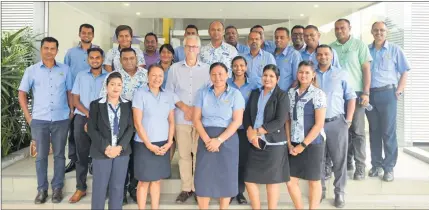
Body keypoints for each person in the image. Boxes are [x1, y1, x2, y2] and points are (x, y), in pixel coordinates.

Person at [18, 37, 73, 204]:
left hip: (61, 119)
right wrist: (28, 117)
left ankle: (57, 188)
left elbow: (70, 92)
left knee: (59, 156)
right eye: (46, 48)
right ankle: (41, 190)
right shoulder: (31, 70)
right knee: (41, 156)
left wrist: (70, 112)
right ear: (41, 49)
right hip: (39, 120)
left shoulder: (65, 69)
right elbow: (22, 93)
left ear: (57, 51)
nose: (49, 51)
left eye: (52, 48)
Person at [165, 35, 211, 203]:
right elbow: (170, 92)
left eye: (194, 47)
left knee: (199, 155)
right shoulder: (174, 69)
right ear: (184, 49)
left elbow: (209, 93)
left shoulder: (207, 69)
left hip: (201, 119)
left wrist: (196, 111)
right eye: (188, 46)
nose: (191, 49)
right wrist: (185, 108)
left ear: (199, 49)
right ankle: (186, 188)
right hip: (181, 118)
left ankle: (199, 188)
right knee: (184, 155)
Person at [99, 47, 148, 204]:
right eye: (125, 59)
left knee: (136, 157)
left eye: (132, 58)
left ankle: (133, 188)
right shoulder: (113, 76)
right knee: (121, 156)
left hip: (142, 123)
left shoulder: (146, 75)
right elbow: (102, 100)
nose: (129, 61)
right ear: (120, 61)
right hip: (119, 124)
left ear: (137, 59)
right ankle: (119, 191)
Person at [193, 62, 245, 209]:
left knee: (226, 176)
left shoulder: (235, 94)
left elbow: (237, 121)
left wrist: (219, 140)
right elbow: (196, 119)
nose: (217, 78)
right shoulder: (202, 93)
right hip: (206, 138)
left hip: (227, 139)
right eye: (214, 74)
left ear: (227, 75)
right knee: (203, 177)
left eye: (221, 74)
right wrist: (208, 140)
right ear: (210, 76)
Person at [367, 21, 411, 182]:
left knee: (388, 132)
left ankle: (389, 167)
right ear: (371, 32)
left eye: (382, 30)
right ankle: (376, 165)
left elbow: (405, 71)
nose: (379, 33)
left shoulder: (395, 50)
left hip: (388, 94)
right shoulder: (366, 50)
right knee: (374, 131)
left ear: (387, 32)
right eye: (376, 30)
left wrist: (399, 90)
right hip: (370, 95)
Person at [243, 64, 290, 210]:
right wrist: (251, 133)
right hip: (254, 142)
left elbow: (279, 121)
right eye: (265, 75)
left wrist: (257, 132)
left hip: (274, 144)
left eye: (271, 76)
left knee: (272, 182)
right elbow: (247, 115)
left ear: (278, 79)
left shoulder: (282, 95)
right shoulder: (256, 93)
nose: (267, 78)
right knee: (249, 179)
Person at [330, 19, 372, 180]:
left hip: (356, 94)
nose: (339, 30)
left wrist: (366, 92)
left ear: (349, 28)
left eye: (343, 28)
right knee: (341, 131)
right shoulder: (332, 47)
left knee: (358, 131)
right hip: (338, 96)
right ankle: (346, 162)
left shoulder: (359, 45)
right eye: (337, 28)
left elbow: (366, 70)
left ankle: (360, 166)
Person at [315, 45, 357, 208]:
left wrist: (348, 120)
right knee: (319, 159)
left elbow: (351, 97)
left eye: (326, 54)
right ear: (316, 57)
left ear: (332, 56)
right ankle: (321, 190)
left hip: (337, 123)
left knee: (339, 160)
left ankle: (339, 193)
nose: (323, 57)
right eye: (320, 54)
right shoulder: (311, 74)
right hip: (317, 125)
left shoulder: (341, 74)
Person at [88, 72, 135, 210]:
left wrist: (119, 147)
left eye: (119, 85)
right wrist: (106, 147)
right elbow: (92, 129)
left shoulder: (127, 104)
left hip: (122, 152)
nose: (116, 88)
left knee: (118, 187)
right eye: (112, 84)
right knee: (99, 188)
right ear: (107, 86)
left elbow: (130, 128)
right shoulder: (96, 105)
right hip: (102, 152)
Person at [132, 64, 176, 209]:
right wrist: (149, 145)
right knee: (144, 181)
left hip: (163, 144)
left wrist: (170, 142)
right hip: (144, 144)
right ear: (147, 76)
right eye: (154, 75)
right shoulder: (140, 94)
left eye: (160, 76)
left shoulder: (168, 95)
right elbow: (137, 123)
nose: (157, 79)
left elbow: (171, 120)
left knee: (157, 180)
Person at [69, 48, 108, 203]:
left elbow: (111, 97)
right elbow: (75, 99)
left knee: (102, 155)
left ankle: (102, 188)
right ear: (88, 60)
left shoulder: (109, 77)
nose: (95, 60)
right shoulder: (80, 76)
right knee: (81, 155)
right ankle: (81, 188)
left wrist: (96, 117)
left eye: (97, 57)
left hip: (103, 120)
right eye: (91, 57)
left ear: (102, 59)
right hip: (82, 118)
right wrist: (88, 114)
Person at [286, 61, 327, 209]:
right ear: (297, 74)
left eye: (307, 73)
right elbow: (287, 120)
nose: (303, 75)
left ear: (313, 75)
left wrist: (303, 145)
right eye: (301, 72)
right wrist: (290, 143)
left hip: (313, 144)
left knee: (314, 181)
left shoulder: (318, 94)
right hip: (294, 144)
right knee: (290, 181)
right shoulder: (291, 93)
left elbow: (319, 124)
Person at [64, 23, 99, 174]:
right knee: (74, 130)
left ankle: (91, 159)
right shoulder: (71, 53)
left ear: (93, 35)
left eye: (89, 33)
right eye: (83, 33)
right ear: (79, 34)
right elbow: (66, 74)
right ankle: (74, 158)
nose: (86, 35)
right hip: (74, 95)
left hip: (92, 96)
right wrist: (70, 102)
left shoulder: (97, 51)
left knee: (93, 132)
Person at [226, 56, 258, 205]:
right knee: (229, 161)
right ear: (231, 67)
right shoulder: (226, 83)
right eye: (235, 66)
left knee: (243, 161)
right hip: (228, 128)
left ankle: (240, 192)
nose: (238, 68)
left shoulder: (253, 85)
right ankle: (229, 191)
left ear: (246, 67)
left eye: (241, 65)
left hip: (246, 128)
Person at [273, 27, 302, 91]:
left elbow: (297, 80)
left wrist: (286, 95)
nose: (278, 40)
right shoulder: (271, 55)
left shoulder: (294, 55)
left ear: (288, 39)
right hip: (271, 95)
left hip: (286, 96)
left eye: (282, 37)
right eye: (276, 37)